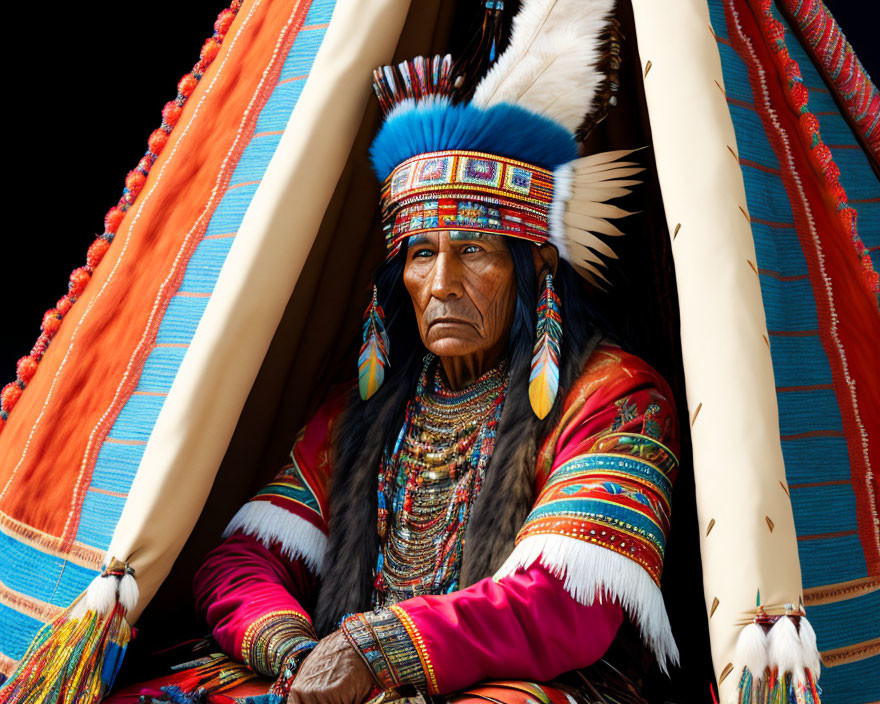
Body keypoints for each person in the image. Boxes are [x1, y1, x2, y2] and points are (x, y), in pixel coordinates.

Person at [108, 3, 680, 703]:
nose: (440, 285)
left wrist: (372, 650)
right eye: (420, 254)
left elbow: (565, 604)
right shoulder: (374, 401)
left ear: (535, 268)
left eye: (472, 250)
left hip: (515, 682)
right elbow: (243, 562)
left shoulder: (613, 396)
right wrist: (297, 654)